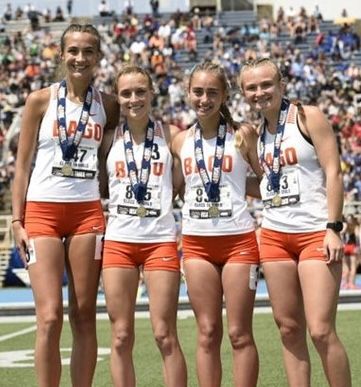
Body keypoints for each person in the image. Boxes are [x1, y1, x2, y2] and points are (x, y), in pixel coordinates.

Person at [11, 24, 119, 387]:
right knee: (50, 317)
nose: (80, 58)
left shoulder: (109, 105)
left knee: (84, 314)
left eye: (88, 51)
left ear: (98, 57)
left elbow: (111, 161)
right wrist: (16, 220)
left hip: (87, 215)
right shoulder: (39, 100)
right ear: (61, 54)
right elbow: (22, 165)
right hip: (41, 214)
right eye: (73, 50)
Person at [238, 57, 352, 387]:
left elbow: (333, 171)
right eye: (252, 88)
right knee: (288, 329)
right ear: (244, 93)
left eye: (266, 84)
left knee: (319, 329)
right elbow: (266, 186)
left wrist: (334, 227)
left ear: (281, 84)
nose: (260, 92)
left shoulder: (307, 116)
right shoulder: (258, 133)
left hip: (315, 232)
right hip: (274, 237)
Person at [172, 61, 262, 387]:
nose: (204, 99)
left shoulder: (244, 135)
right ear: (188, 94)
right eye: (198, 91)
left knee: (239, 333)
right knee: (208, 332)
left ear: (224, 95)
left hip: (238, 240)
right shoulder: (179, 141)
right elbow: (173, 188)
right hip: (197, 245)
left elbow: (266, 182)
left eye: (212, 92)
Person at [100, 65, 187, 387]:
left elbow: (187, 177)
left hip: (160, 240)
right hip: (119, 242)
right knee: (121, 335)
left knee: (165, 334)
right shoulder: (107, 139)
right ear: (117, 98)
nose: (134, 98)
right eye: (126, 93)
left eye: (140, 91)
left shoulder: (173, 135)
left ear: (151, 93)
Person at [341, 214, 360, 289]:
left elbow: (342, 235)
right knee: (353, 267)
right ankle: (352, 283)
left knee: (346, 267)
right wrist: (358, 248)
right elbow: (358, 238)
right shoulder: (355, 227)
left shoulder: (344, 226)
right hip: (353, 246)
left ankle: (346, 284)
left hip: (345, 247)